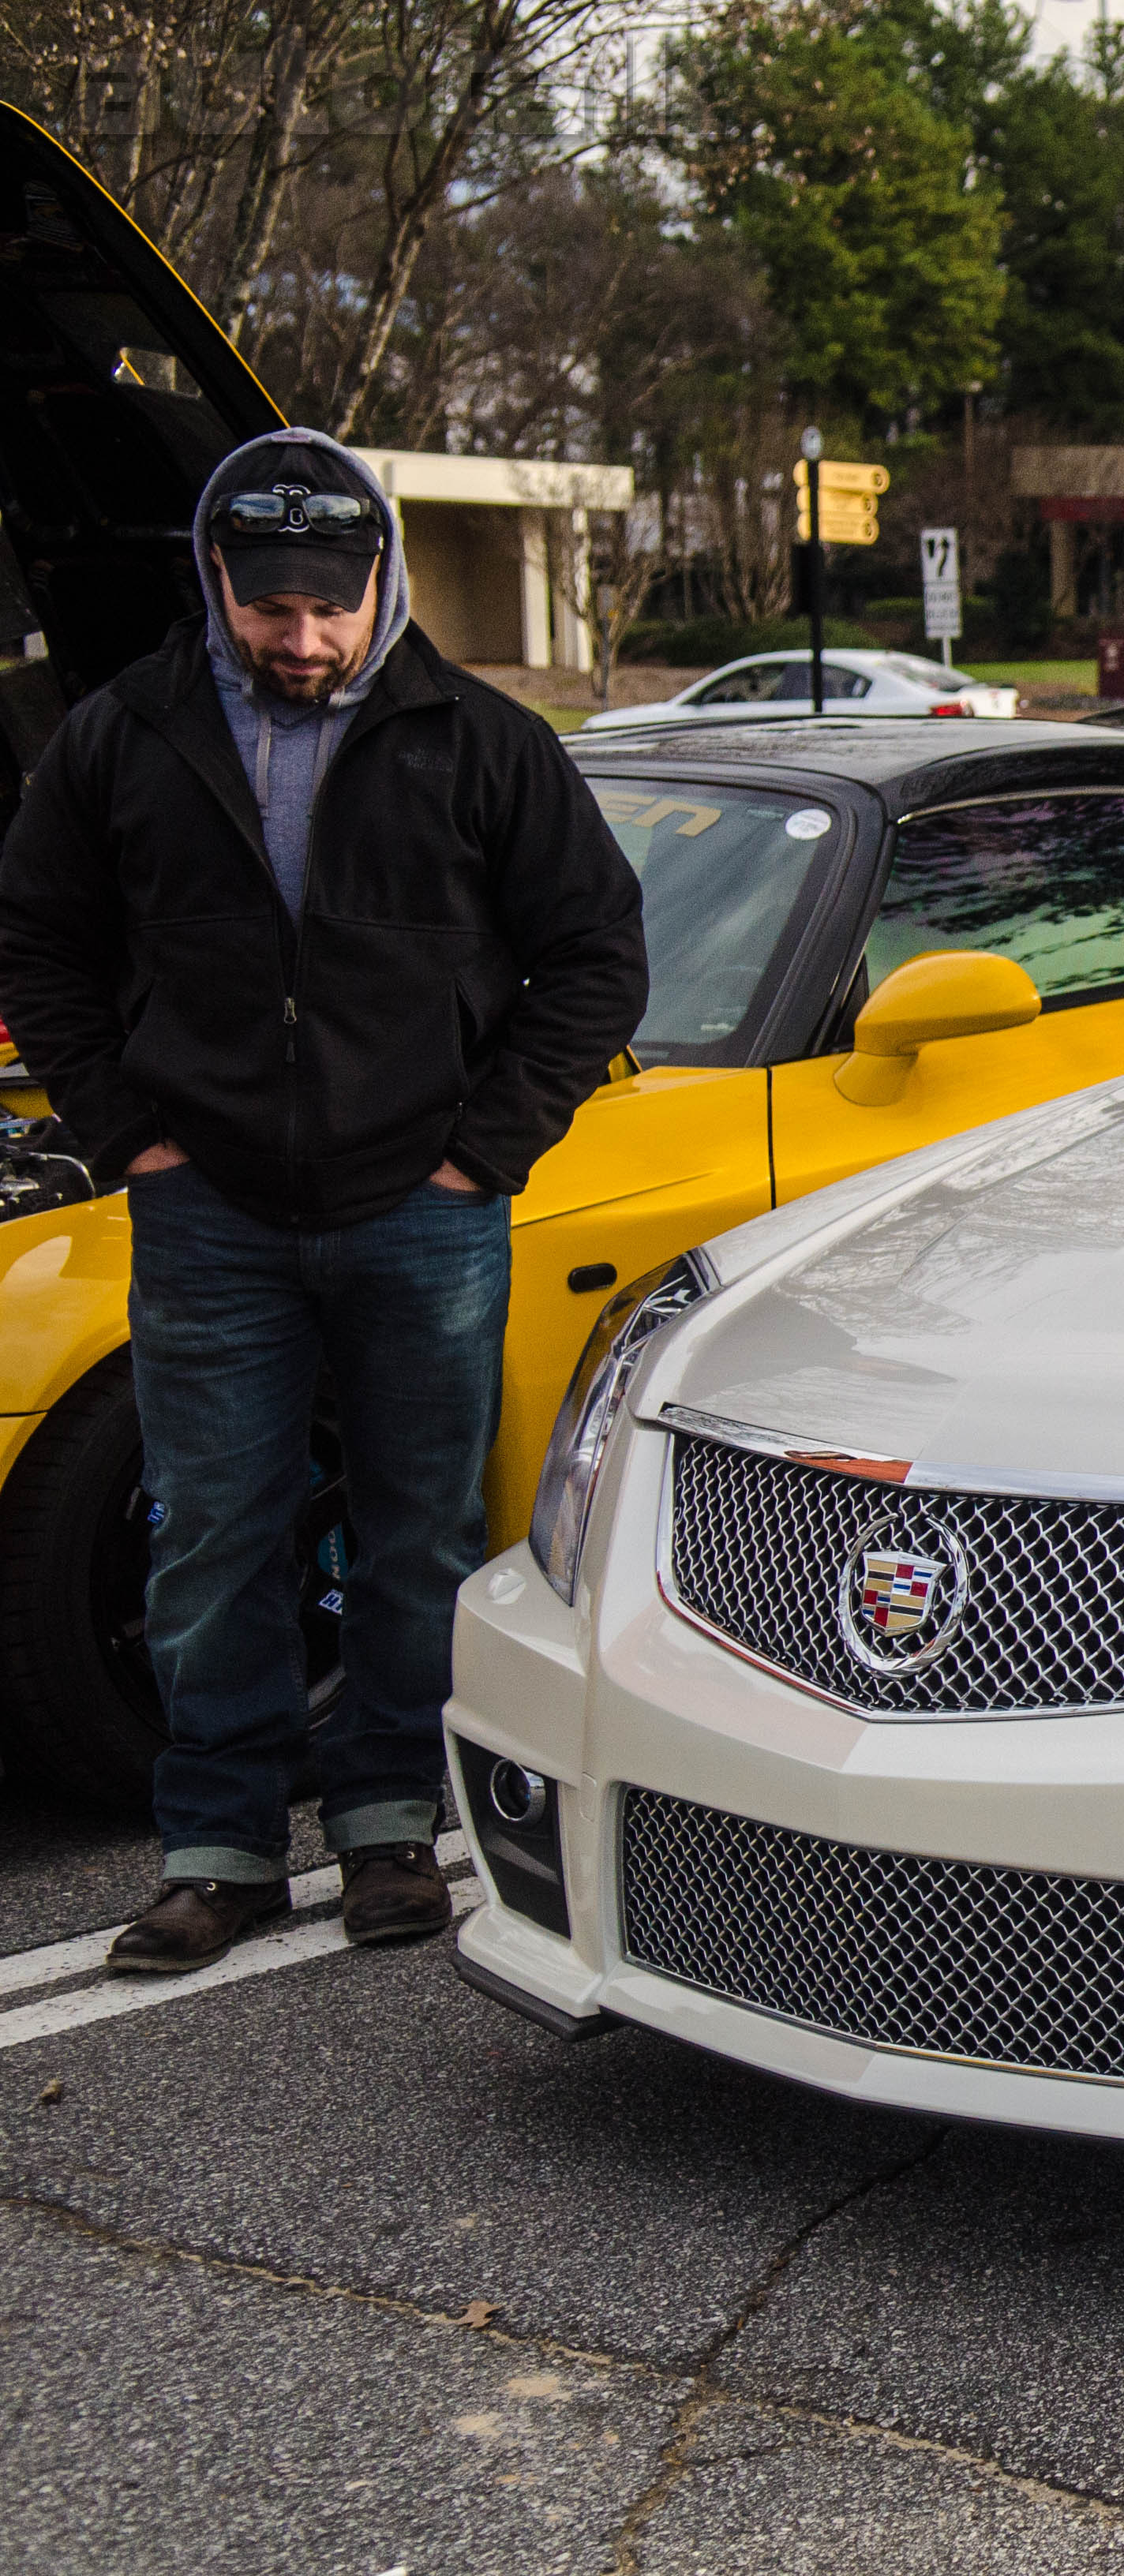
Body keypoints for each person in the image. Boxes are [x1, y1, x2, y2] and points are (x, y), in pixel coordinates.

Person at [0, 429, 646, 1969]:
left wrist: (481, 1151)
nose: (302, 638)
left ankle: (386, 1833)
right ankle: (217, 1851)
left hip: (424, 1211)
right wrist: (128, 1133)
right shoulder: (119, 741)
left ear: (385, 582)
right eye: (269, 604)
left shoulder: (482, 742)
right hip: (206, 1209)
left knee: (421, 1533)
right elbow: (40, 946)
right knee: (212, 1531)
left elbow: (598, 958)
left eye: (331, 605)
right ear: (215, 578)